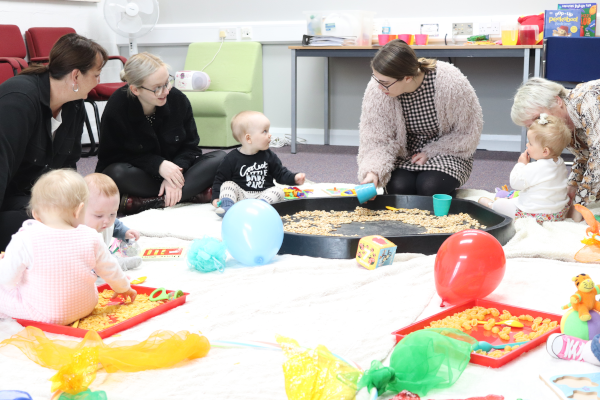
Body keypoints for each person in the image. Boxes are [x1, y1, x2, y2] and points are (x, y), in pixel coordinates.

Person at [0, 33, 108, 251]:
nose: (99, 82)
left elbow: (68, 167)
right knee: (56, 230)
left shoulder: (73, 104)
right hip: (9, 200)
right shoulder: (18, 100)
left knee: (87, 220)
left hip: (35, 198)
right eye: (97, 75)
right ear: (76, 76)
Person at [96, 52, 226, 215]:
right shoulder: (117, 107)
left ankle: (148, 202)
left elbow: (191, 147)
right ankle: (189, 195)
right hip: (141, 174)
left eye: (167, 82)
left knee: (221, 158)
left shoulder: (178, 99)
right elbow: (110, 158)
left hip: (178, 171)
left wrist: (174, 177)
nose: (165, 91)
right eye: (157, 88)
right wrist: (158, 165)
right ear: (135, 89)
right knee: (115, 173)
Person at [0, 169, 136, 325]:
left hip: (42, 314)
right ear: (80, 211)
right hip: (85, 307)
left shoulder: (25, 238)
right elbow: (110, 268)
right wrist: (123, 288)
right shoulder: (92, 236)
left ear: (35, 214)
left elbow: (7, 279)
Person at [358, 40, 483, 197]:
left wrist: (431, 152)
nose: (379, 87)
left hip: (447, 151)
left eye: (385, 83)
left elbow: (468, 132)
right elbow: (376, 140)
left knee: (430, 187)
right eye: (376, 80)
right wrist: (372, 172)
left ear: (408, 77)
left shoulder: (450, 82)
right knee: (399, 189)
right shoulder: (378, 90)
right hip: (404, 154)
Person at [511, 77, 600, 222]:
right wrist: (572, 186)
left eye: (538, 118)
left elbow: (598, 157)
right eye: (530, 125)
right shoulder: (561, 124)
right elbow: (584, 156)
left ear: (557, 101)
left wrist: (579, 203)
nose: (539, 126)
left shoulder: (588, 101)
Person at [478, 114, 571, 224]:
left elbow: (515, 183)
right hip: (557, 214)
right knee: (518, 198)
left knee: (498, 204)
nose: (527, 145)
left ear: (545, 151)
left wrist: (521, 164)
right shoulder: (560, 163)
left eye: (530, 144)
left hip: (535, 216)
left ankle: (491, 205)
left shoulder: (535, 167)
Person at [211, 111, 305, 217]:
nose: (270, 135)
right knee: (227, 185)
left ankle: (260, 208)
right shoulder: (231, 158)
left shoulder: (269, 156)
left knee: (278, 191)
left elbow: (280, 174)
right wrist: (216, 197)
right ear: (248, 138)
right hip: (241, 196)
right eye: (264, 131)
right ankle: (227, 207)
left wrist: (294, 178)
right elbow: (220, 179)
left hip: (263, 195)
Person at [84, 173, 142, 271]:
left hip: (101, 254)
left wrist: (125, 232)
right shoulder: (78, 229)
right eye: (99, 216)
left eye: (112, 214)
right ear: (80, 210)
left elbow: (116, 225)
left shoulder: (107, 219)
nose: (107, 220)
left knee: (105, 256)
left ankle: (113, 263)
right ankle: (117, 264)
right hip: (83, 260)